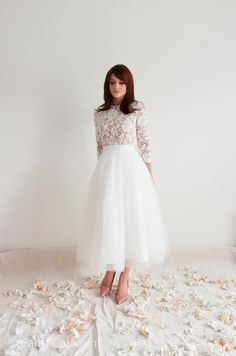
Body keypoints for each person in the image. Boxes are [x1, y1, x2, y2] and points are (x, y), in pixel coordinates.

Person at [76, 64, 171, 304]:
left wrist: (149, 176)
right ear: (107, 85)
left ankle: (124, 276)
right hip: (108, 170)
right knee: (111, 219)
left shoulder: (136, 109)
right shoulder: (99, 114)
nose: (116, 86)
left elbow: (145, 144)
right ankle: (110, 268)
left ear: (128, 85)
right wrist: (102, 176)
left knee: (131, 220)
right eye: (112, 82)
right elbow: (99, 146)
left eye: (121, 82)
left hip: (131, 169)